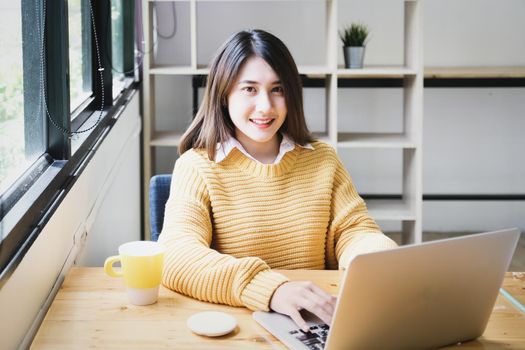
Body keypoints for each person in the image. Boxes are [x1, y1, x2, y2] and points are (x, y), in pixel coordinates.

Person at [158, 29, 397, 332]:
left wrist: (377, 257)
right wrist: (271, 289)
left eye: (277, 89)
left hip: (313, 321)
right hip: (235, 324)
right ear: (223, 94)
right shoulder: (196, 166)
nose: (265, 107)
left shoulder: (322, 159)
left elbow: (355, 230)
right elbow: (176, 255)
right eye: (249, 89)